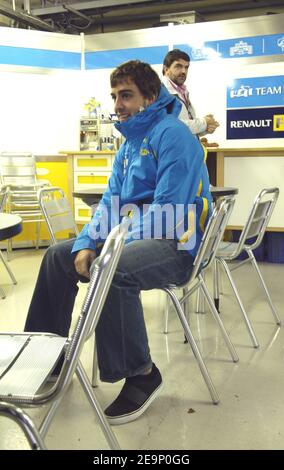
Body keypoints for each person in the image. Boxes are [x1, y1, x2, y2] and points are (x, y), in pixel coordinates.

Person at [24, 60, 212, 425]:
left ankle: (142, 373)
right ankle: (49, 354)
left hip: (179, 243)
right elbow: (111, 204)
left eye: (126, 95)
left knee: (112, 267)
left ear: (150, 97)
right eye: (114, 96)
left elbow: (167, 214)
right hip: (136, 239)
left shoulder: (173, 135)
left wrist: (108, 247)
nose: (118, 104)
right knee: (57, 256)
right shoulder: (129, 145)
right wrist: (85, 243)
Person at [162, 49, 219, 138]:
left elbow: (185, 127)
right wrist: (204, 123)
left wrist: (205, 129)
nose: (183, 71)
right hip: (170, 150)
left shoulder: (183, 91)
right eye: (178, 66)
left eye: (186, 67)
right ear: (166, 69)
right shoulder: (160, 92)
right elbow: (171, 127)